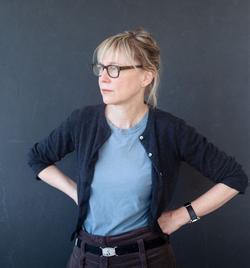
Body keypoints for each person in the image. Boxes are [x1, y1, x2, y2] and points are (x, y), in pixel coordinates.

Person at [27, 27, 249, 268]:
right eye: (100, 68)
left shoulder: (169, 129)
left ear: (146, 76)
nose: (103, 78)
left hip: (146, 258)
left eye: (114, 69)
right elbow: (38, 158)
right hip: (84, 257)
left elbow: (234, 177)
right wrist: (76, 191)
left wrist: (180, 216)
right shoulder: (83, 121)